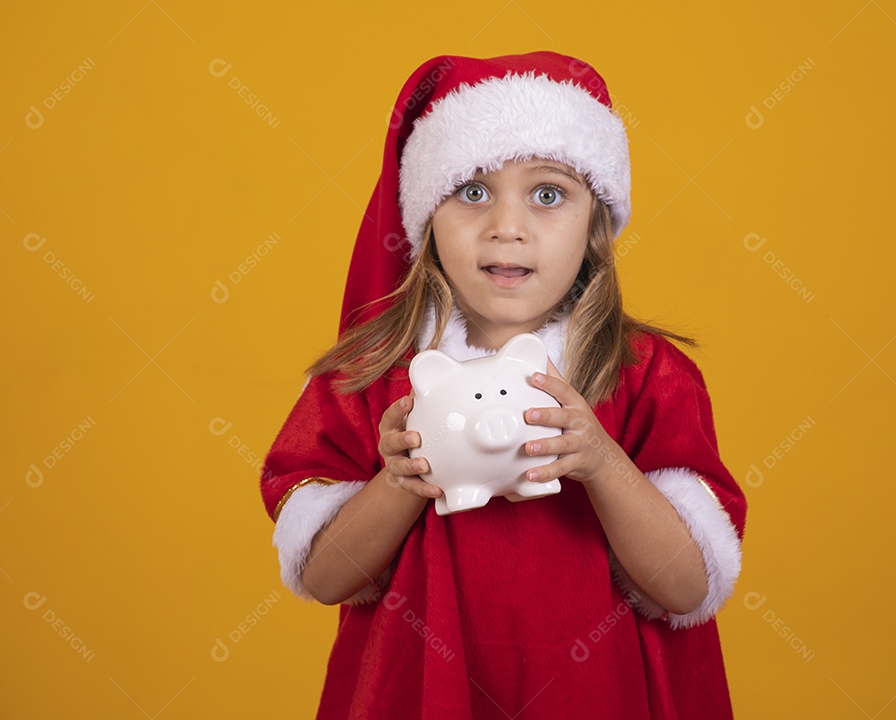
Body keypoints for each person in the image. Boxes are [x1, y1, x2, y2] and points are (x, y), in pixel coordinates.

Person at [259, 51, 748, 719]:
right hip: (420, 693)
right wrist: (398, 481)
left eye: (548, 194)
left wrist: (603, 463)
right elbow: (323, 578)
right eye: (471, 190)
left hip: (599, 696)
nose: (507, 226)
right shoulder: (371, 378)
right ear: (426, 216)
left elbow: (688, 588)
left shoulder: (644, 374)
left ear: (596, 222)